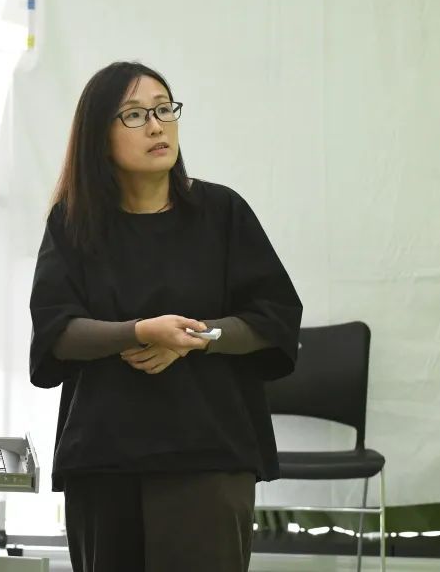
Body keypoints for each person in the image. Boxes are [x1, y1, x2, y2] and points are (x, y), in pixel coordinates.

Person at [29, 61, 303, 572]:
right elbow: (56, 331)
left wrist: (198, 337)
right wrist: (137, 332)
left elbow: (275, 316)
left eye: (163, 109)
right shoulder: (73, 222)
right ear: (98, 135)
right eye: (134, 115)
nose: (157, 126)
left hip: (209, 450)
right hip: (105, 453)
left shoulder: (222, 211)